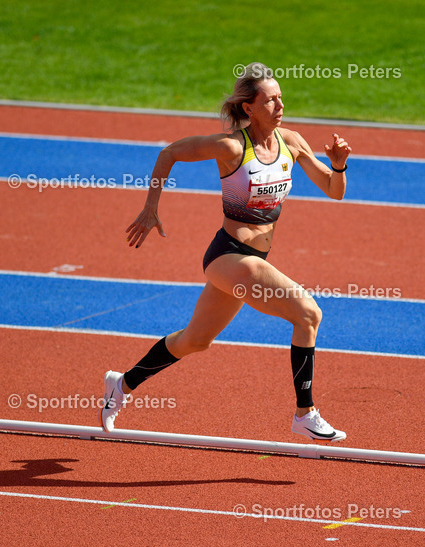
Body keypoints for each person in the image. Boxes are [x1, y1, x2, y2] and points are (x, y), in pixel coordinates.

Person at [102, 62, 351, 442]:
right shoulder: (232, 146)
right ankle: (305, 413)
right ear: (249, 108)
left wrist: (339, 165)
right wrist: (151, 207)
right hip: (228, 257)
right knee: (308, 313)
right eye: (270, 100)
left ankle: (121, 384)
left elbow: (335, 191)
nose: (280, 105)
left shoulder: (293, 142)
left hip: (252, 262)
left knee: (195, 341)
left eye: (281, 98)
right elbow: (169, 153)